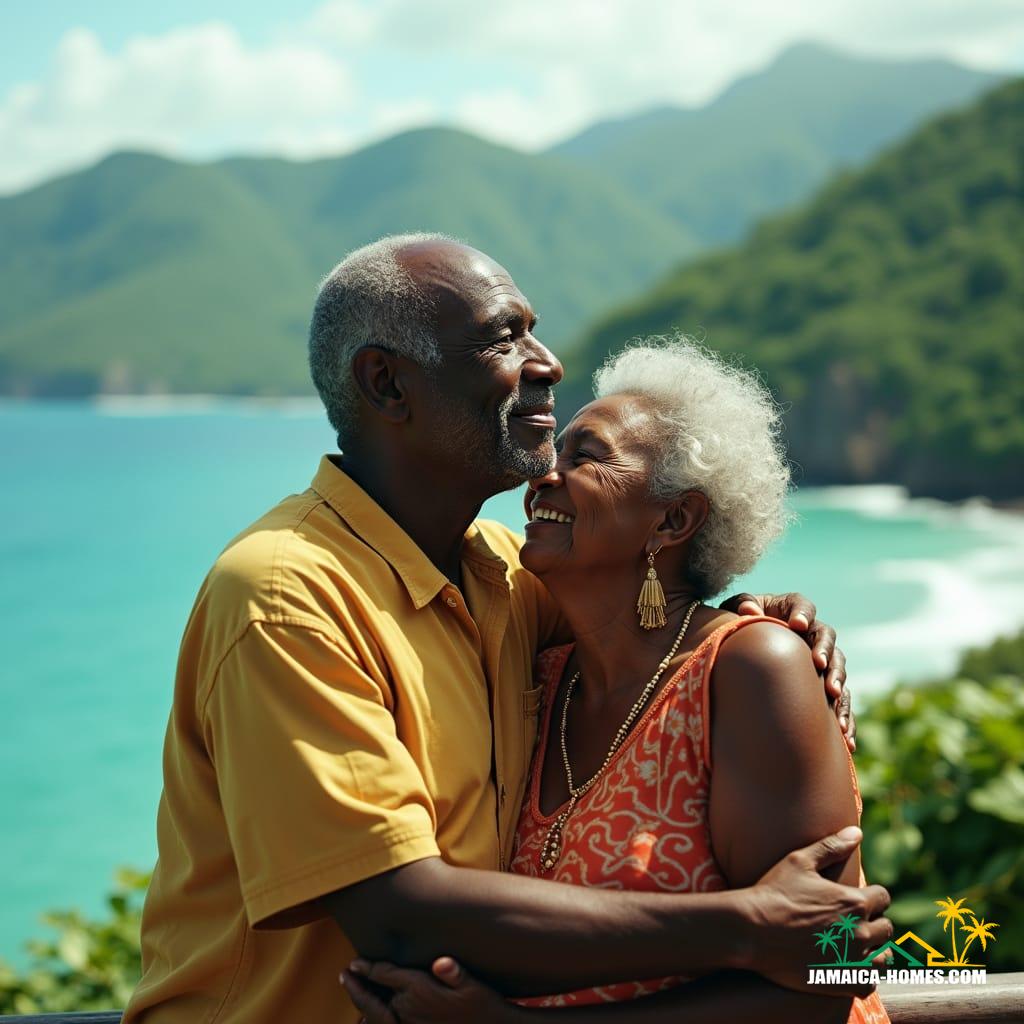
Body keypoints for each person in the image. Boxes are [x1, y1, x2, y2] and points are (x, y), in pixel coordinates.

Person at [123, 235, 887, 1024]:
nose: (548, 362)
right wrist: (750, 927)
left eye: (534, 329)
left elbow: (661, 627)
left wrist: (768, 628)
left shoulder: (501, 576)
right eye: (502, 336)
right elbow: (398, 912)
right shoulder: (287, 594)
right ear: (386, 382)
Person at [341, 339, 890, 1023]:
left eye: (586, 457)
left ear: (674, 519)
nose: (544, 476)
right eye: (553, 453)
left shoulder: (751, 672)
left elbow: (831, 971)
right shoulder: (537, 675)